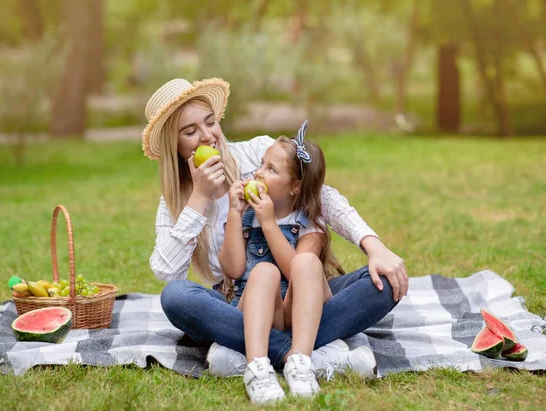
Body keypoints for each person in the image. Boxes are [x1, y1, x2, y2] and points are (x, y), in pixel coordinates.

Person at [143, 78, 408, 383]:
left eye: (210, 123)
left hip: (302, 293)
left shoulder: (256, 154)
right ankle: (305, 356)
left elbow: (320, 195)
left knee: (384, 282)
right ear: (173, 145)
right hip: (239, 300)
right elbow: (167, 271)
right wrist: (200, 198)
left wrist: (372, 245)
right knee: (176, 297)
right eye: (190, 132)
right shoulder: (175, 201)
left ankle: (254, 352)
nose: (207, 136)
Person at [220, 121, 352, 403]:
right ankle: (257, 368)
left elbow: (297, 272)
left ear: (294, 187)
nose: (258, 173)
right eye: (261, 164)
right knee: (264, 271)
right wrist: (234, 214)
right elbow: (232, 270)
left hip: (294, 311)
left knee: (306, 263)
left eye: (271, 169)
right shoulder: (246, 216)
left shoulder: (308, 224)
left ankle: (299, 361)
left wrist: (268, 223)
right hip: (255, 309)